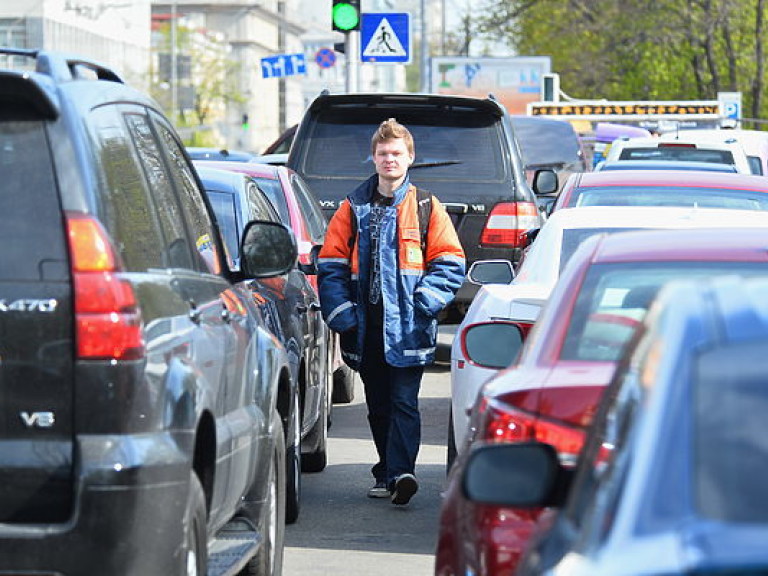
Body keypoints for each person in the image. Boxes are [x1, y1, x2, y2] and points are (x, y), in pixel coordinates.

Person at [317, 118, 466, 506]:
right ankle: (385, 470)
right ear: (374, 158)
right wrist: (343, 314)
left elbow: (450, 261)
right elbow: (330, 263)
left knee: (404, 402)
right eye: (383, 153)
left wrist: (424, 303)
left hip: (409, 328)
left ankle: (402, 473)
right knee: (379, 404)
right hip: (365, 328)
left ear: (410, 158)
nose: (390, 159)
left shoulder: (426, 207)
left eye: (397, 153)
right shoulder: (353, 207)